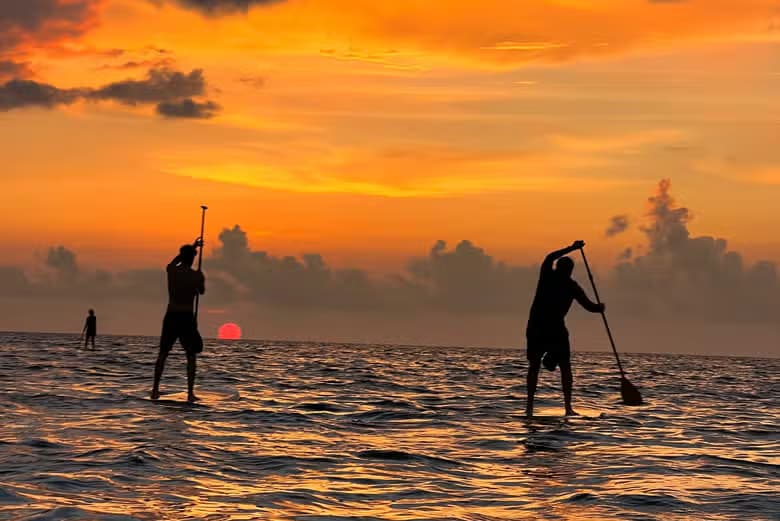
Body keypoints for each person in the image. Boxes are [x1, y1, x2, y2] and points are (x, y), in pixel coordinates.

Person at [525, 240, 604, 417]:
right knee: (535, 365)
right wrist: (572, 248)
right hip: (537, 326)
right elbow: (549, 257)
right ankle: (529, 407)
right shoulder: (548, 275)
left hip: (555, 329)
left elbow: (588, 306)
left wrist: (599, 308)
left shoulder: (571, 286)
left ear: (569, 272)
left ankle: (568, 408)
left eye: (566, 271)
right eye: (563, 269)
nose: (564, 273)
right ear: (559, 268)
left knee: (565, 366)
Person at [151, 239, 205, 402]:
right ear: (193, 259)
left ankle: (155, 390)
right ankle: (190, 393)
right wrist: (199, 280)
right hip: (186, 317)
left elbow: (173, 262)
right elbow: (201, 292)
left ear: (181, 257)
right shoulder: (195, 275)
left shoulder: (172, 271)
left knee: (163, 353)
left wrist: (192, 248)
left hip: (171, 316)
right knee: (191, 355)